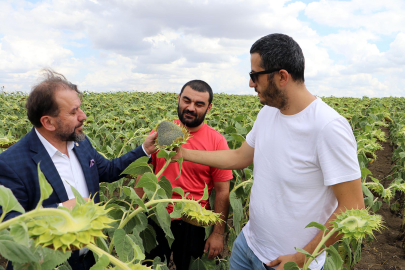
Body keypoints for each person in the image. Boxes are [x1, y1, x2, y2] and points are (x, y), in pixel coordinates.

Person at [179, 34, 365, 270]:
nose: (250, 83)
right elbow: (240, 157)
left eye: (254, 75)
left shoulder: (328, 127)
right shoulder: (268, 113)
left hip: (286, 262)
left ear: (282, 76)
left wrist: (303, 257)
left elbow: (353, 206)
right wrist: (183, 153)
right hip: (248, 245)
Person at [0, 69, 157, 270]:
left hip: (90, 258)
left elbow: (109, 170)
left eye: (80, 109)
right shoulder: (11, 162)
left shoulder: (81, 144)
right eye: (73, 112)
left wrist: (144, 150)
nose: (83, 116)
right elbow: (9, 226)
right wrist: (60, 211)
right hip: (47, 263)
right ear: (48, 122)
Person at [135, 80, 233, 270]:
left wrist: (218, 234)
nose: (190, 108)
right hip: (157, 213)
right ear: (179, 99)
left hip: (193, 219)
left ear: (209, 108)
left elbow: (222, 191)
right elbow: (144, 173)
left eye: (199, 104)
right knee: (151, 264)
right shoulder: (163, 131)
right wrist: (135, 213)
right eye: (186, 101)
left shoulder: (217, 141)